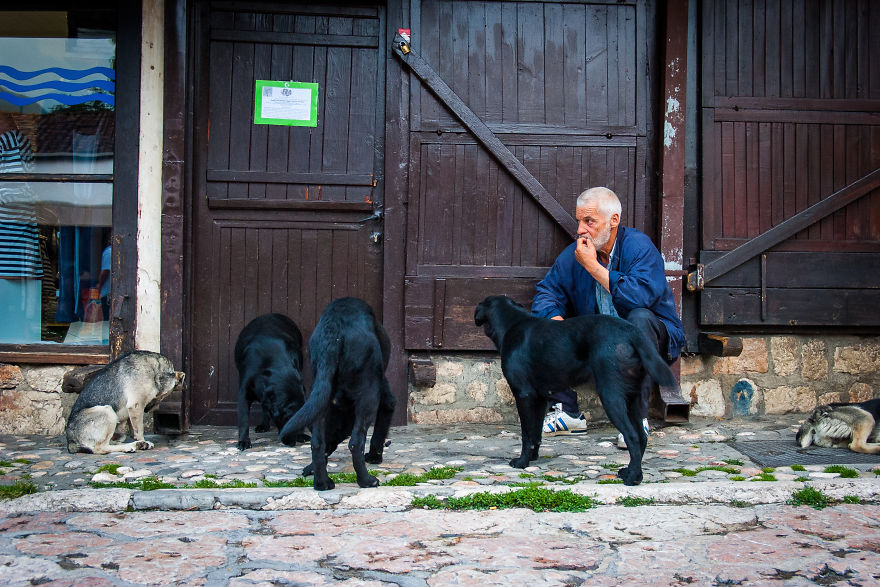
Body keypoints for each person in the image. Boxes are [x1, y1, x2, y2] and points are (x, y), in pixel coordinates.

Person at [531, 187, 685, 447]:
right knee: (543, 323)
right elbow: (547, 292)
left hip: (649, 341)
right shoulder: (575, 254)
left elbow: (641, 298)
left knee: (639, 318)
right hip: (601, 345)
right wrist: (553, 322)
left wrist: (593, 266)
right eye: (579, 220)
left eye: (589, 221)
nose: (580, 229)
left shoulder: (638, 247)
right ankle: (567, 413)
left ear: (613, 220)